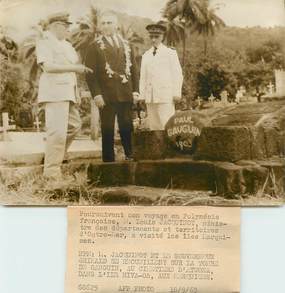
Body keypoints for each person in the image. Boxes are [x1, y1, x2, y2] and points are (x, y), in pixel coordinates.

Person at [36, 12, 92, 181]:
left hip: (68, 93)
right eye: (65, 26)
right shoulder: (45, 42)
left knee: (74, 126)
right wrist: (75, 68)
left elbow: (71, 72)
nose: (68, 29)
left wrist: (77, 92)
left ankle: (53, 156)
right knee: (57, 133)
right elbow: (48, 67)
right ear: (56, 26)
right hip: (54, 93)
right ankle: (51, 172)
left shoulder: (66, 45)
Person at [85, 11, 139, 162]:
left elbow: (134, 70)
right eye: (103, 23)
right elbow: (90, 74)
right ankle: (108, 161)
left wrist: (135, 91)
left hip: (125, 92)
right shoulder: (94, 46)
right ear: (99, 27)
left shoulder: (127, 45)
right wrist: (96, 94)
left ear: (116, 25)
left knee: (127, 126)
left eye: (109, 23)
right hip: (106, 95)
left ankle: (130, 155)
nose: (106, 26)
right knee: (107, 128)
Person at [139, 22, 183, 130]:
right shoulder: (146, 55)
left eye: (156, 37)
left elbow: (177, 74)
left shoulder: (170, 53)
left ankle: (169, 147)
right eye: (151, 37)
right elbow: (143, 77)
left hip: (165, 96)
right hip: (151, 97)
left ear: (162, 37)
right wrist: (142, 95)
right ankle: (157, 147)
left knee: (167, 126)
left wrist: (176, 93)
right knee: (154, 127)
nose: (153, 39)